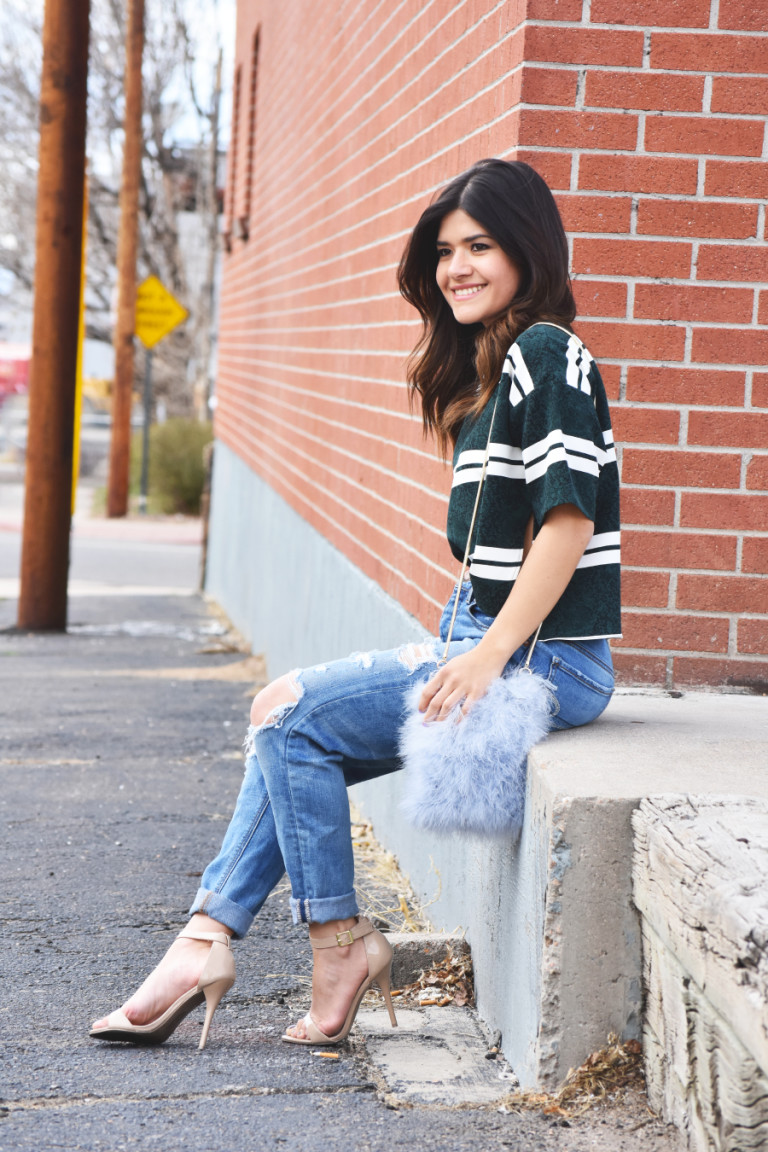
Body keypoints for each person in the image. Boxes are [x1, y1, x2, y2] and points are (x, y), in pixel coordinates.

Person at [90, 158, 621, 1050]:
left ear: (529, 250)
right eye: (446, 250)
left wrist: (486, 657)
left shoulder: (549, 352)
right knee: (287, 727)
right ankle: (208, 941)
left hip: (542, 658)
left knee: (289, 717)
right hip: (501, 643)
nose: (457, 266)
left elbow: (567, 529)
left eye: (480, 246)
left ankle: (327, 944)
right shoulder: (490, 371)